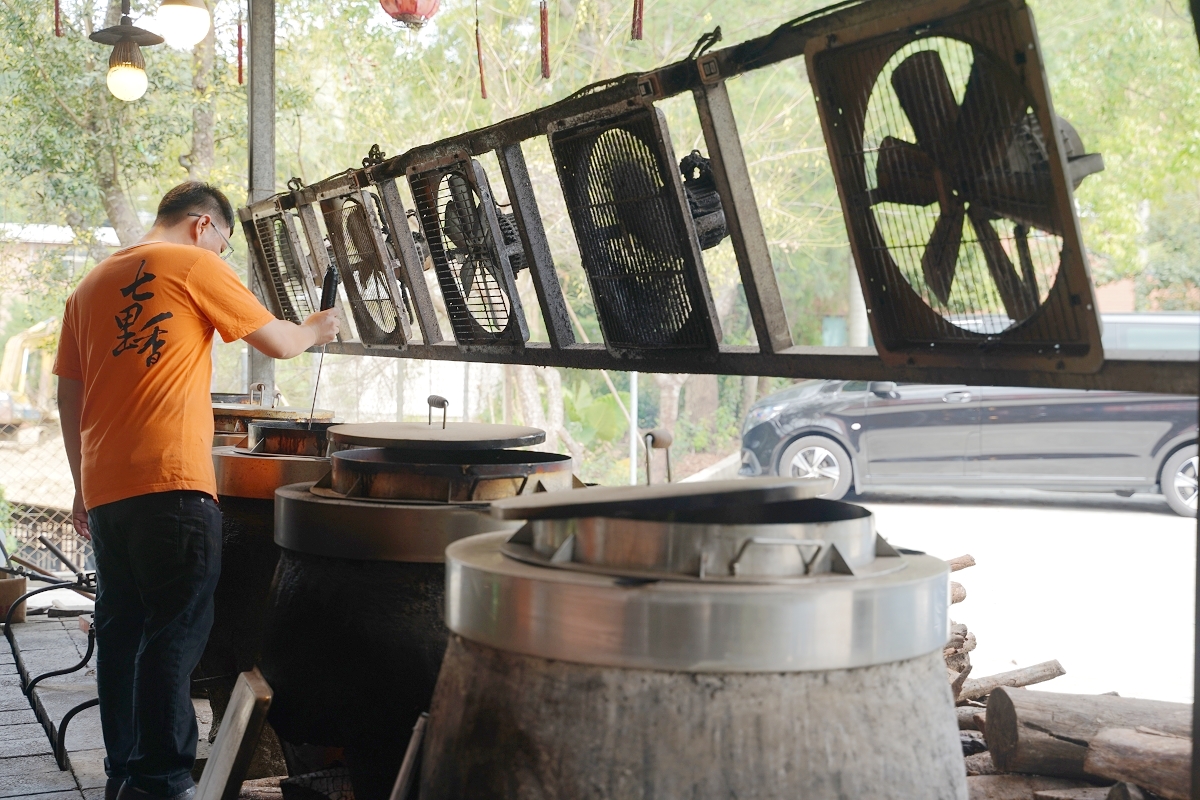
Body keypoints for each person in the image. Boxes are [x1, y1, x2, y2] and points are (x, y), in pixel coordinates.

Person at [53, 182, 339, 800]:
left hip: (108, 491)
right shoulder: (193, 263)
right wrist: (321, 325)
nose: (223, 257)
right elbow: (282, 343)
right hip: (174, 486)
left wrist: (81, 484)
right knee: (175, 633)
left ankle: (126, 775)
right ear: (203, 225)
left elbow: (68, 397)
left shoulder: (90, 285)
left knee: (123, 633)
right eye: (227, 245)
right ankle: (161, 782)